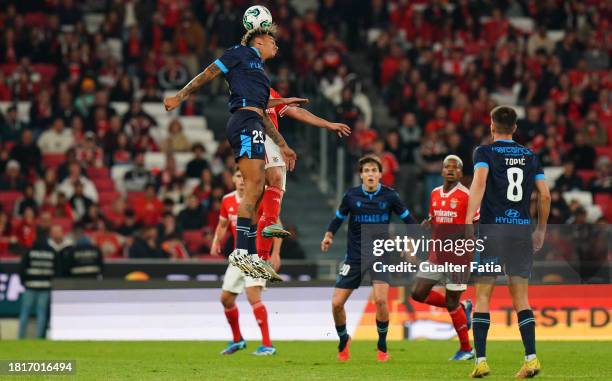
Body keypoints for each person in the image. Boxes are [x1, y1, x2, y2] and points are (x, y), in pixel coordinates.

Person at [163, 26, 304, 280]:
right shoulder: (239, 52)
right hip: (243, 122)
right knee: (253, 188)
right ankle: (241, 253)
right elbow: (209, 72)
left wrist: (282, 144)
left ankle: (247, 255)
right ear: (259, 41)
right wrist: (180, 96)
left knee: (257, 188)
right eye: (272, 41)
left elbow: (262, 113)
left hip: (253, 122)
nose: (277, 46)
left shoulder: (260, 74)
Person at [465, 106, 550, 378]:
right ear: (514, 128)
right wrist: (541, 231)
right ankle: (532, 358)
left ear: (492, 126)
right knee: (521, 298)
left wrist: (468, 220)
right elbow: (545, 196)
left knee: (482, 296)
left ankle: (481, 361)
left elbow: (479, 183)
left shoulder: (484, 152)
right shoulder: (530, 155)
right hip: (521, 231)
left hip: (493, 231)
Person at [321, 155, 416, 362]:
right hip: (354, 257)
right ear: (361, 176)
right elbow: (338, 218)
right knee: (336, 304)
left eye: (374, 170)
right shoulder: (351, 196)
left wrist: (409, 242)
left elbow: (410, 221)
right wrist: (329, 235)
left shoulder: (390, 196)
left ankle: (382, 346)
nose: (370, 174)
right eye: (366, 171)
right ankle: (344, 338)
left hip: (380, 255)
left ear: (380, 175)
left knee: (381, 300)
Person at [254, 86, 351, 262]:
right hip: (256, 136)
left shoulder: (268, 90)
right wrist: (284, 101)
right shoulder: (244, 84)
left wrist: (327, 124)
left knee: (272, 208)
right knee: (267, 187)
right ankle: (259, 255)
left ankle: (264, 257)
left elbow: (296, 111)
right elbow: (254, 105)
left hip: (274, 142)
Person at [411, 155, 475, 361]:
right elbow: (434, 216)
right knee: (418, 293)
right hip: (436, 254)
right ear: (441, 171)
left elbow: (474, 226)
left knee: (450, 302)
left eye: (455, 168)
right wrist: (428, 222)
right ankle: (462, 306)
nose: (450, 170)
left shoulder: (467, 195)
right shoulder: (435, 193)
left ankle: (466, 349)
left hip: (458, 256)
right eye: (447, 166)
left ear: (460, 173)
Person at [211, 169, 280, 356]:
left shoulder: (261, 196)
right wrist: (216, 240)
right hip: (238, 255)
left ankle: (267, 344)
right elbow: (223, 224)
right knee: (226, 299)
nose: (242, 180)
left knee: (253, 296)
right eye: (239, 176)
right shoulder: (227, 200)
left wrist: (275, 253)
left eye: (245, 176)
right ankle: (237, 340)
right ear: (233, 179)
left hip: (257, 255)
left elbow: (276, 224)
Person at [18, 225, 67, 338]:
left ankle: (20, 337)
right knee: (41, 314)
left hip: (30, 287)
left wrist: (24, 283)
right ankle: (39, 338)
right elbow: (57, 271)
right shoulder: (52, 252)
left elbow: (22, 269)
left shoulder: (30, 251)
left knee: (25, 313)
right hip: (45, 288)